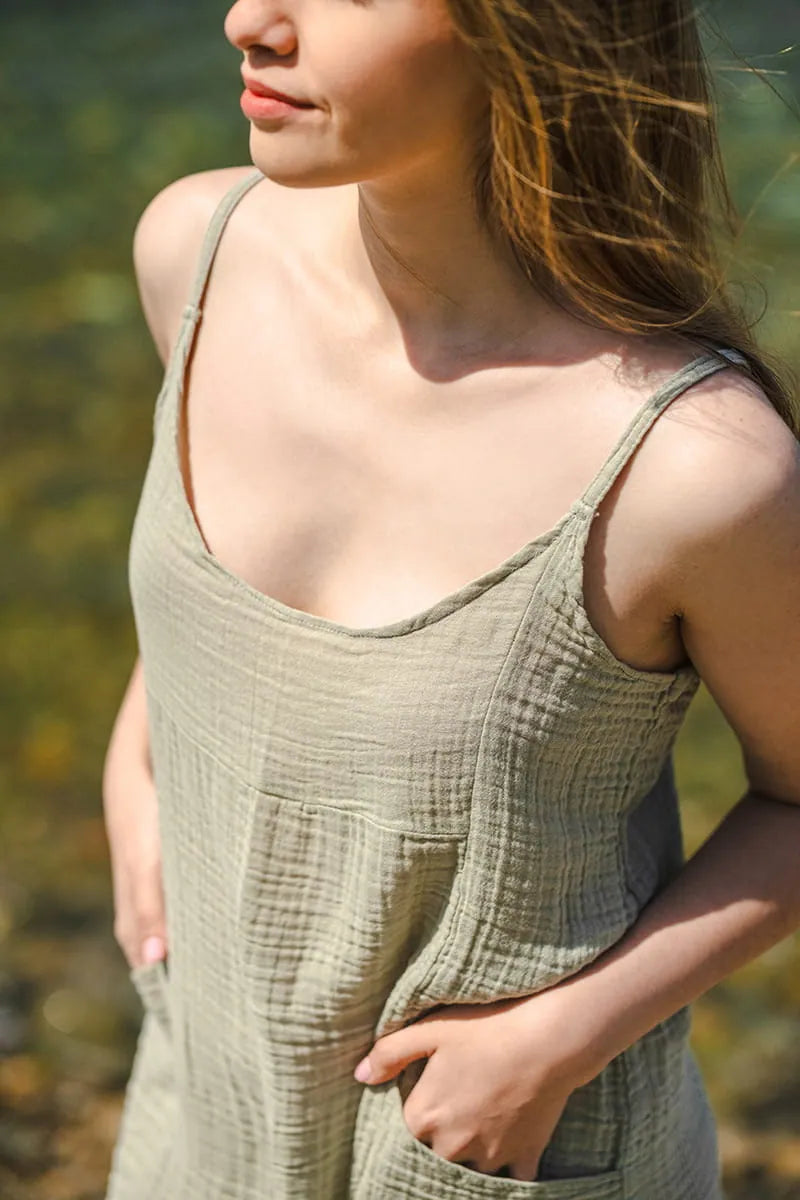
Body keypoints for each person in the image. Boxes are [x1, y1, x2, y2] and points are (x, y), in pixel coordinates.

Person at [101, 0, 800, 1196]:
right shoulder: (195, 252)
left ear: (530, 36)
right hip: (213, 1086)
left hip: (489, 1143)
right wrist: (137, 775)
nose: (251, 20)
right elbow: (202, 591)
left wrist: (558, 1037)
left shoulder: (690, 471)